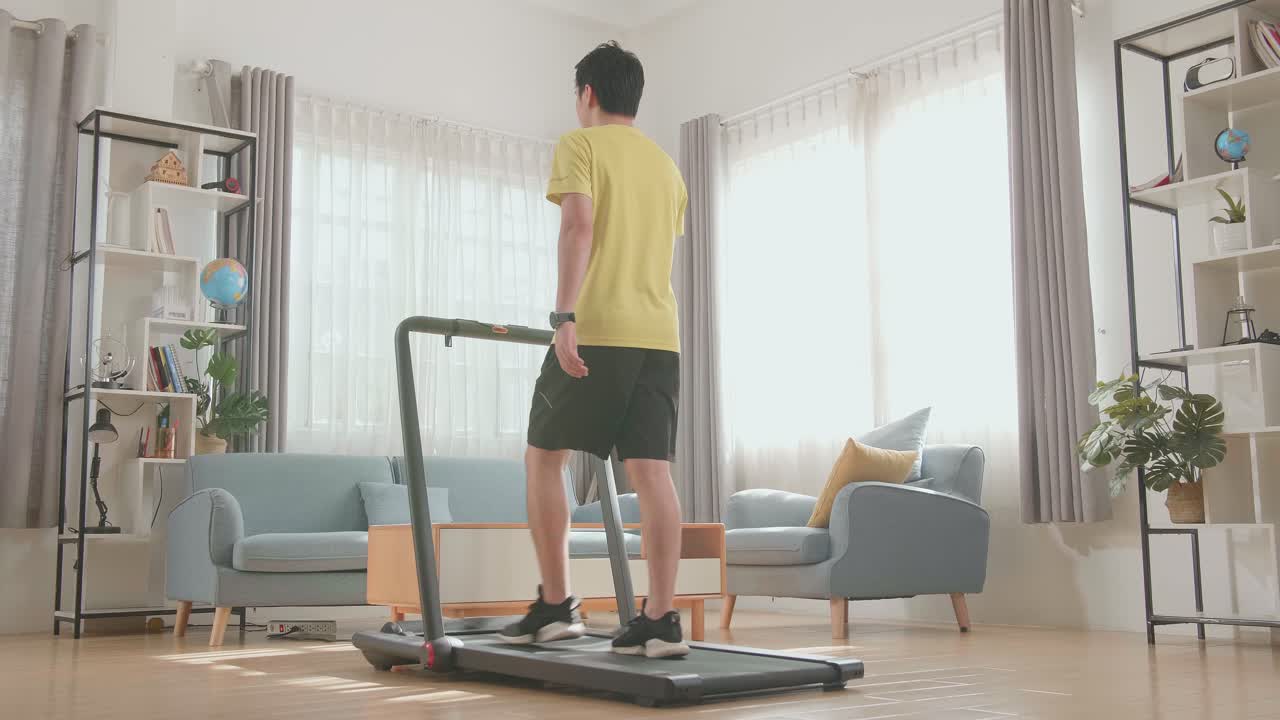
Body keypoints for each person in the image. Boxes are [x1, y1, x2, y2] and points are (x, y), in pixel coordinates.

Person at [499, 41, 689, 659]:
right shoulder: (667, 166)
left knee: (543, 456)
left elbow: (579, 226)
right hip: (659, 337)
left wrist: (564, 317)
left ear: (588, 95)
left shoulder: (579, 144)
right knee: (653, 473)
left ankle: (556, 605)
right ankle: (660, 619)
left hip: (599, 329)